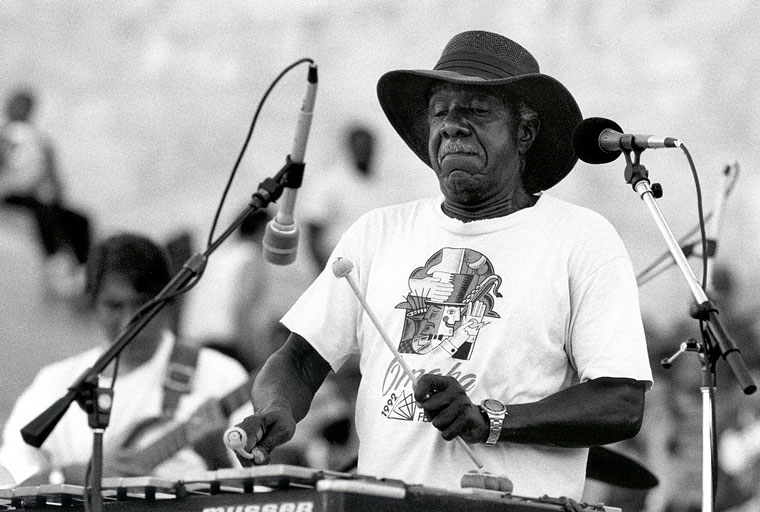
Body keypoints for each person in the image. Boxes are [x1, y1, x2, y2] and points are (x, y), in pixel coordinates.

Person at [232, 30, 653, 501]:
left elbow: (620, 400)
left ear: (525, 132)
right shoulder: (376, 233)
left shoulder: (581, 239)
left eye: (474, 110)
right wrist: (277, 407)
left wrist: (491, 420)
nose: (451, 125)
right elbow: (299, 360)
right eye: (440, 113)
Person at [0, 232, 250, 485]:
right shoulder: (54, 382)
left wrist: (216, 458)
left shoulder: (220, 374)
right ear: (92, 303)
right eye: (114, 306)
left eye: (143, 305)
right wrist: (74, 475)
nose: (130, 320)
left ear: (170, 302)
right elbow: (9, 474)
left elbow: (258, 489)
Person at [0, 88, 91, 299]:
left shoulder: (40, 140)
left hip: (39, 197)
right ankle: (54, 262)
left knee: (80, 219)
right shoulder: (5, 136)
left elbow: (53, 175)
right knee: (42, 211)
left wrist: (55, 191)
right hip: (12, 196)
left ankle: (84, 270)